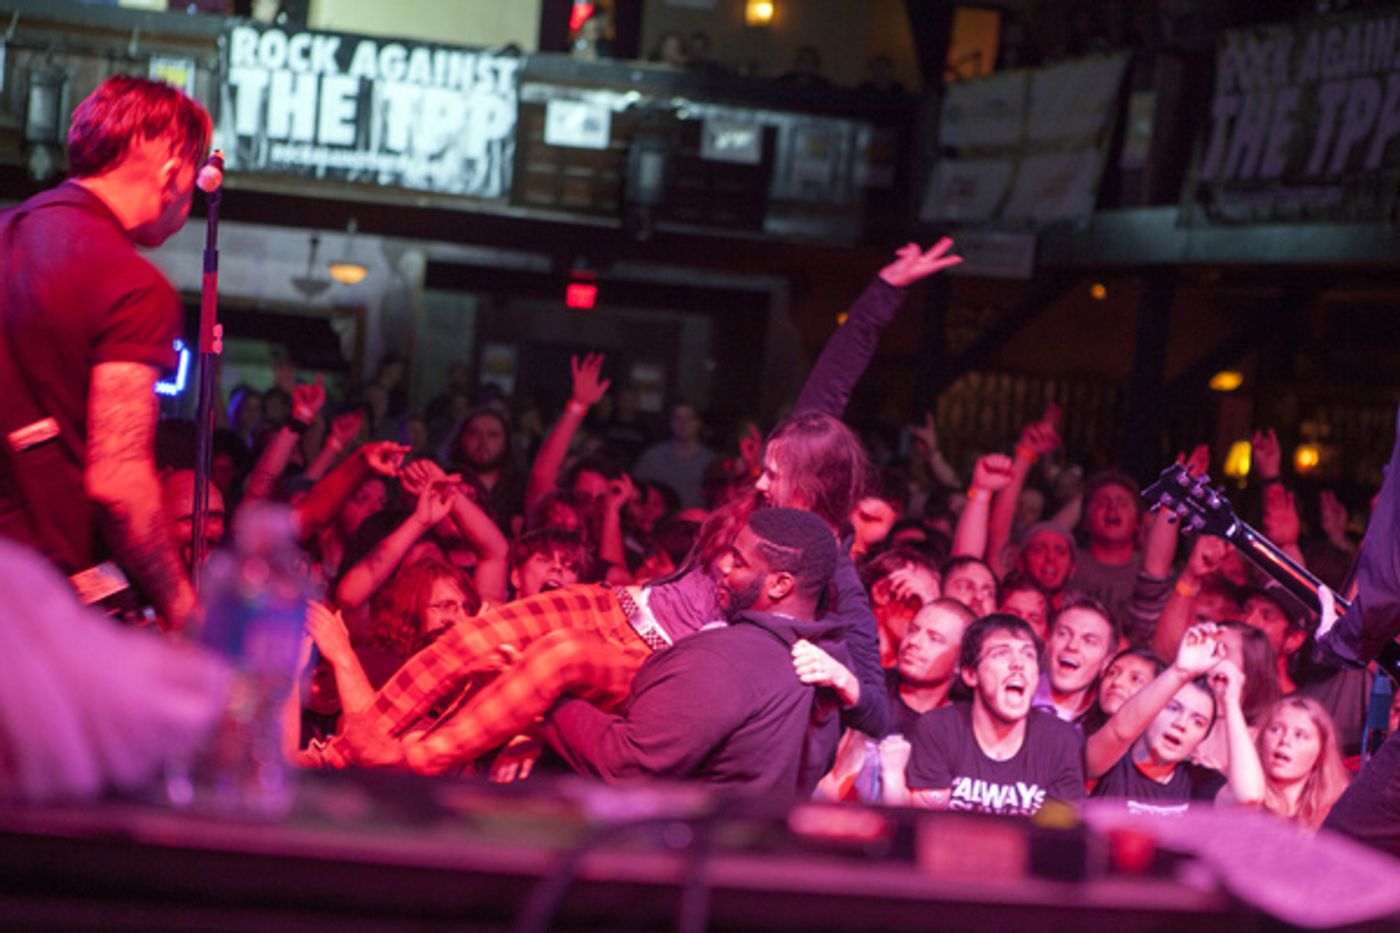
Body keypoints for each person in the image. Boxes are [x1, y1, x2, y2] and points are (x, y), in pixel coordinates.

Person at [0, 75, 211, 630]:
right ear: (174, 176)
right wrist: (182, 609)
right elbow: (119, 484)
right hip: (40, 613)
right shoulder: (131, 285)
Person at [542, 508, 847, 796]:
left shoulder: (723, 660)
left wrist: (549, 697)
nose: (723, 566)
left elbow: (626, 764)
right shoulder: (832, 668)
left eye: (739, 562)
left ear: (780, 585)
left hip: (691, 845)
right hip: (761, 846)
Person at [883, 614, 1084, 814]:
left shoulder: (1060, 741)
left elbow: (1058, 835)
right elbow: (928, 824)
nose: (1018, 664)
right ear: (971, 674)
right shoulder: (940, 729)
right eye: (1001, 654)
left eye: (1028, 655)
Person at [1221, 696, 1349, 833]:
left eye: (1300, 735)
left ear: (1321, 753)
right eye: (1276, 730)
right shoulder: (1232, 792)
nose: (1285, 740)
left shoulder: (1336, 816)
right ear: (1261, 740)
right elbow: (1246, 796)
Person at [1033, 593, 1118, 725]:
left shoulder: (1103, 728)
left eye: (1089, 641)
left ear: (1107, 661)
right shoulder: (1015, 700)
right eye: (1063, 634)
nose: (1072, 646)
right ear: (1048, 641)